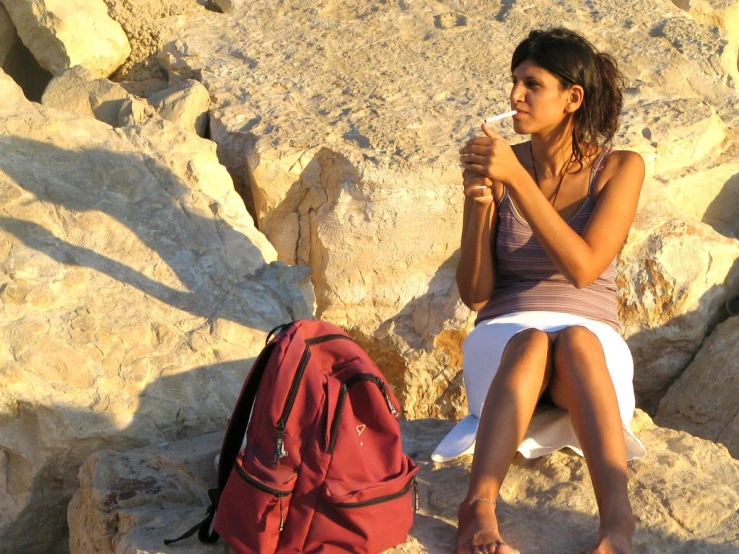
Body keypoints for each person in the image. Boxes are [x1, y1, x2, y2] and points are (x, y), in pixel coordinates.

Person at [433, 28, 647, 554]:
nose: (515, 97)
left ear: (573, 98)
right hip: (506, 338)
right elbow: (477, 295)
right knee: (530, 340)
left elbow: (584, 267)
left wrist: (519, 181)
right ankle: (477, 508)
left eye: (532, 84)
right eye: (514, 83)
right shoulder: (504, 169)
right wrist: (479, 203)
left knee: (575, 338)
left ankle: (617, 524)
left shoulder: (620, 167)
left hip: (591, 341)